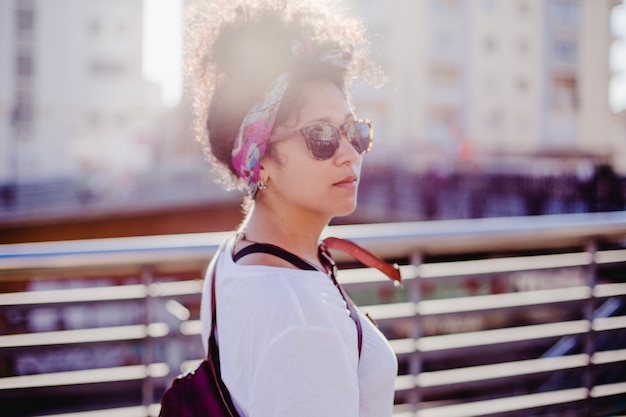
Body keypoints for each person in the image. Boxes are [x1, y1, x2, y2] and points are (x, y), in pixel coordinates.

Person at [186, 1, 398, 415]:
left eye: (353, 131)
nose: (350, 154)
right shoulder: (300, 321)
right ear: (258, 160)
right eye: (321, 136)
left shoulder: (234, 256)